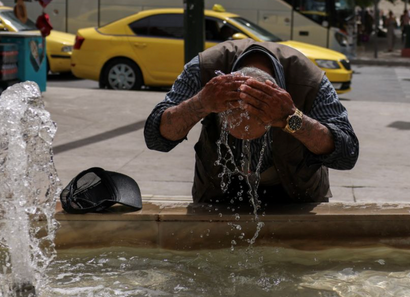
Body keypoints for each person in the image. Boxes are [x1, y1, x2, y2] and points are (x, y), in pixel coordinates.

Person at [144, 39, 359, 204]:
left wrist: (292, 118)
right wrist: (201, 103)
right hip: (218, 188)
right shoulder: (203, 69)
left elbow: (346, 154)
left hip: (297, 192)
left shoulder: (310, 80)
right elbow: (156, 138)